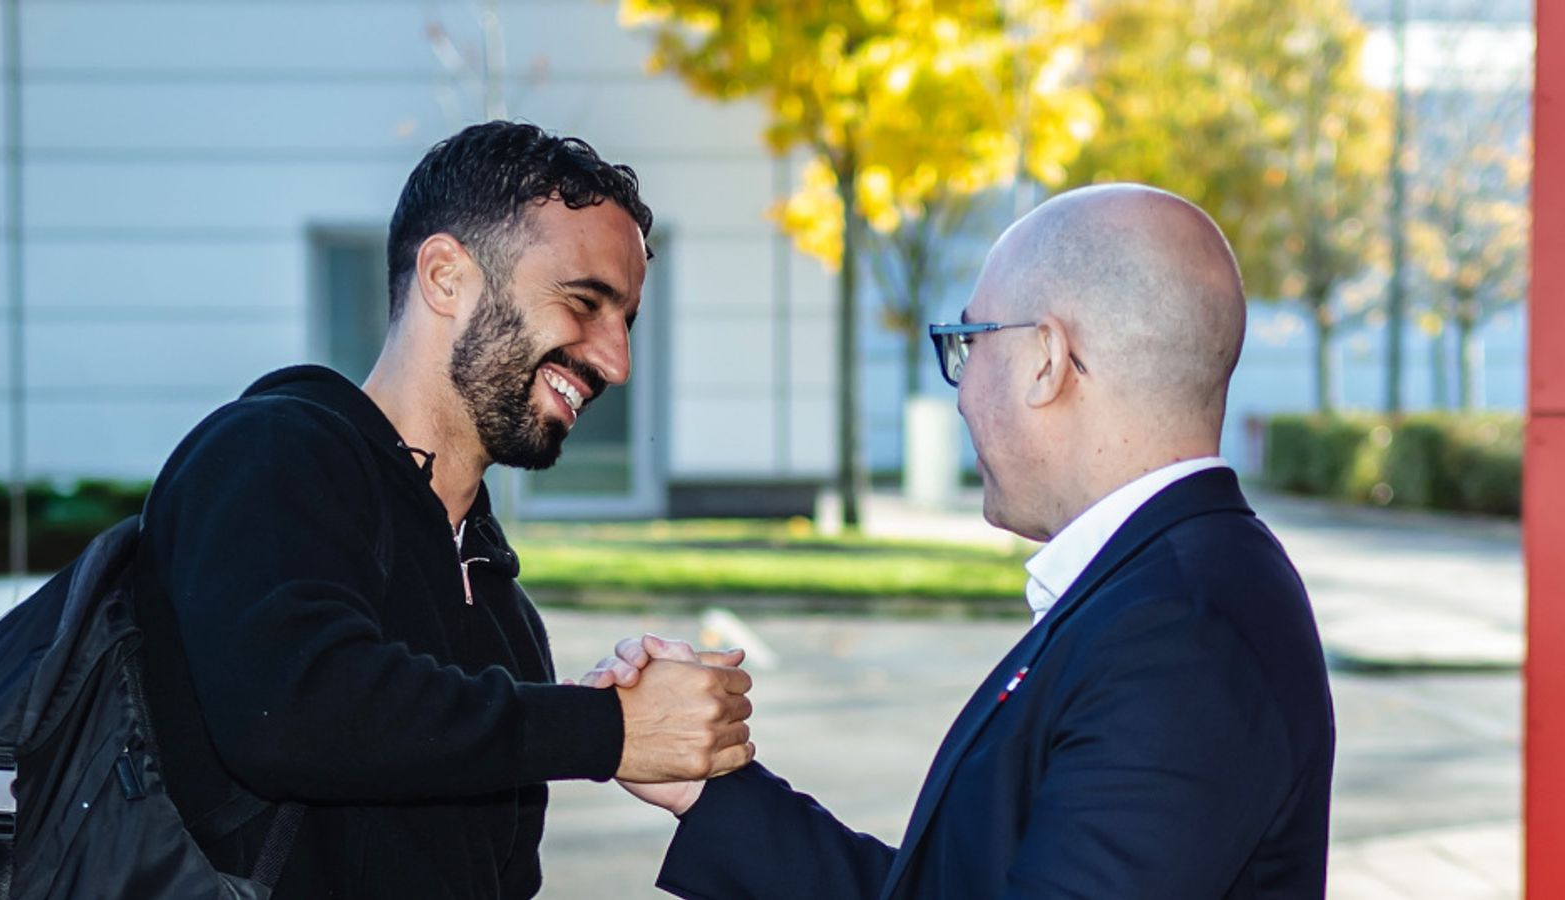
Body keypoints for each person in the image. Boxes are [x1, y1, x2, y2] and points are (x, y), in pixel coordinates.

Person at [593, 184, 1335, 898]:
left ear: (1046, 359)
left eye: (968, 343)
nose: (963, 390)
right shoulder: (1167, 591)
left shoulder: (1181, 636)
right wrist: (708, 790)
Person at [131, 120, 754, 900]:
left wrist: (596, 714)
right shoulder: (269, 456)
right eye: (584, 303)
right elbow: (291, 711)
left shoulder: (506, 614)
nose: (615, 361)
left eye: (625, 321)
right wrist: (606, 732)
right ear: (446, 276)